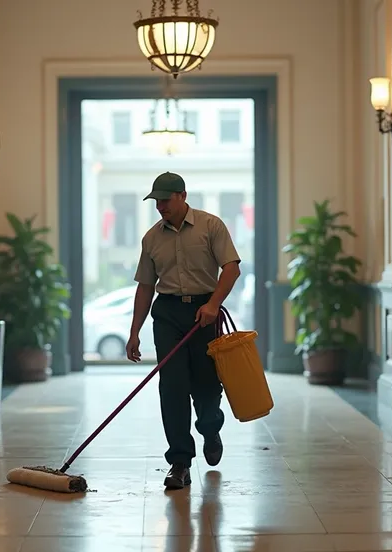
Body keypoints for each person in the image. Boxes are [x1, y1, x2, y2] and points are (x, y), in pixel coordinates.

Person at [126, 171, 241, 490]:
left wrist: (213, 304)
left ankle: (210, 428)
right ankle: (179, 462)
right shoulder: (151, 238)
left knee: (206, 384)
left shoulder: (211, 225)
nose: (160, 206)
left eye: (165, 200)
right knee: (172, 387)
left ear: (182, 196)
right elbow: (146, 287)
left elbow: (231, 268)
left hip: (205, 311)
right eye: (156, 201)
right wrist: (134, 332)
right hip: (168, 315)